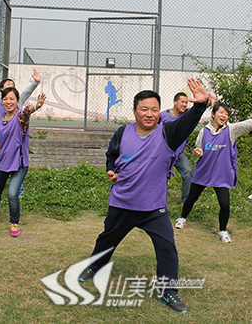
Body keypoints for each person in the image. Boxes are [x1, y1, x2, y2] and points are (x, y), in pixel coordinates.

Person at [78, 79, 209, 314]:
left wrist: (200, 106)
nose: (149, 114)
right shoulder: (122, 132)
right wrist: (111, 169)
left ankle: (168, 291)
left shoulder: (168, 133)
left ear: (160, 112)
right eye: (144, 109)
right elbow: (112, 154)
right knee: (107, 238)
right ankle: (95, 266)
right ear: (134, 111)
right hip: (122, 202)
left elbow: (187, 123)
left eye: (154, 109)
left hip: (153, 207)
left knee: (167, 248)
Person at [175, 102, 252, 243]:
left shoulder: (231, 130)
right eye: (221, 112)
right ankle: (182, 218)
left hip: (221, 175)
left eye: (227, 114)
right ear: (213, 114)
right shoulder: (204, 131)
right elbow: (199, 147)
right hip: (204, 171)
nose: (224, 116)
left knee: (225, 204)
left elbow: (246, 125)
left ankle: (222, 231)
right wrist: (198, 152)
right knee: (191, 198)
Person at [0, 87, 46, 237]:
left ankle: (14, 222)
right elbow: (1, 134)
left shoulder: (20, 116)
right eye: (5, 99)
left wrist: (37, 106)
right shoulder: (1, 116)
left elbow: (27, 111)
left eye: (11, 99)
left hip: (19, 162)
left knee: (12, 194)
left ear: (17, 100)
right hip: (3, 160)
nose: (8, 102)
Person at [0, 68, 41, 196]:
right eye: (8, 84)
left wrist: (36, 82)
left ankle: (19, 190)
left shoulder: (17, 100)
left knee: (18, 164)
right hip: (2, 137)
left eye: (12, 85)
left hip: (16, 139)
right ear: (1, 89)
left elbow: (27, 94)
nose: (11, 86)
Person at [159, 92, 193, 203]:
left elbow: (197, 110)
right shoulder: (163, 116)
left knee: (187, 173)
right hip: (164, 152)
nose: (184, 105)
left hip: (179, 153)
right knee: (160, 177)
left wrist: (206, 102)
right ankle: (158, 200)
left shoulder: (186, 116)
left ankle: (185, 201)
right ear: (175, 102)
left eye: (186, 103)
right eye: (182, 102)